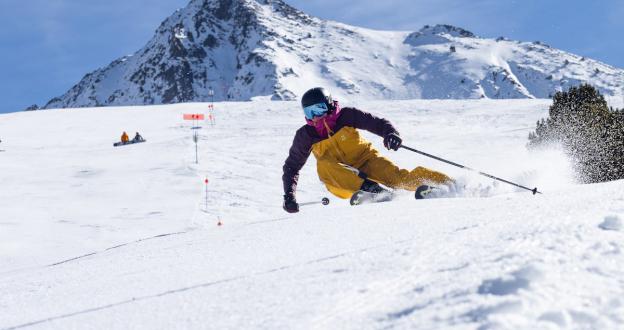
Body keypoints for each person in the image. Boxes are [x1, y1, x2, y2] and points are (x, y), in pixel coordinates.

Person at [282, 87, 453, 213]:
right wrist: (289, 196)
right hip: (339, 178)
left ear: (329, 105)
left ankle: (446, 184)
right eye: (309, 112)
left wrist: (390, 133)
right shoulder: (306, 135)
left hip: (366, 160)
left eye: (318, 109)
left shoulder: (346, 116)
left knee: (399, 178)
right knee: (323, 165)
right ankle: (371, 190)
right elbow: (292, 167)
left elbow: (377, 123)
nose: (316, 116)